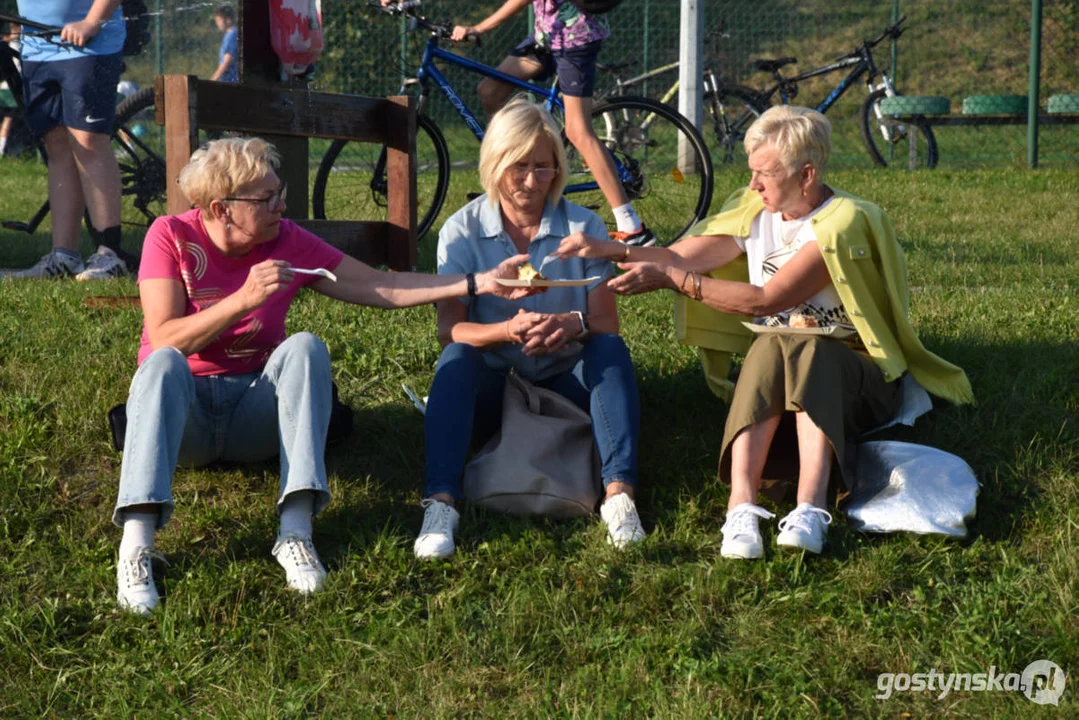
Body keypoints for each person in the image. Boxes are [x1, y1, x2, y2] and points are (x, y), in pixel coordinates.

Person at [113, 137, 539, 614]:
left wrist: (479, 282)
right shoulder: (169, 234)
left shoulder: (286, 239)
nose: (282, 205)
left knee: (306, 347)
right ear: (222, 209)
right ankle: (137, 545)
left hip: (253, 416)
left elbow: (382, 284)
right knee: (163, 361)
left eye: (282, 192)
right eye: (267, 198)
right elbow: (166, 334)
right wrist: (241, 301)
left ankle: (295, 534)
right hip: (181, 421)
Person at [550, 105, 974, 558]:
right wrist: (606, 249)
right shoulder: (756, 210)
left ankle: (810, 507)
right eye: (752, 173)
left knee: (806, 345)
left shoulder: (840, 222)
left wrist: (679, 284)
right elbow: (680, 258)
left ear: (806, 175)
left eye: (764, 175)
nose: (752, 185)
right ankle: (741, 508)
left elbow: (768, 299)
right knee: (774, 341)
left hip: (858, 381)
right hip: (780, 369)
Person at [413, 98, 646, 560]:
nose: (531, 182)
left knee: (610, 351)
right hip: (493, 387)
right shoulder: (460, 232)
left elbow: (605, 323)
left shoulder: (583, 224)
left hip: (565, 381)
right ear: (494, 164)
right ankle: (440, 503)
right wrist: (506, 330)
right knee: (456, 361)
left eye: (544, 167)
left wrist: (571, 324)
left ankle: (620, 496)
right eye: (518, 167)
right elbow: (450, 331)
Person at [381, 0, 653, 246]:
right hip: (545, 36)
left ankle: (631, 226)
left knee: (577, 129)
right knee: (490, 91)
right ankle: (508, 170)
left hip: (574, 37)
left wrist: (480, 27)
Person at [6, 0, 132, 280]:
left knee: (88, 141)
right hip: (37, 49)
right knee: (57, 146)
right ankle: (64, 256)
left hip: (90, 44)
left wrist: (91, 22)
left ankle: (110, 255)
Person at [0, 22, 21, 158]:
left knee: (7, 120)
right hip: (9, 90)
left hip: (6, 89)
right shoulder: (15, 45)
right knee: (7, 120)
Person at [210, 5, 237, 84]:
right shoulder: (229, 35)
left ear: (228, 20)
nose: (217, 23)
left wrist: (212, 80)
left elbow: (226, 62)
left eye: (219, 20)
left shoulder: (232, 35)